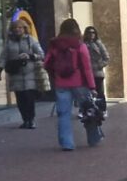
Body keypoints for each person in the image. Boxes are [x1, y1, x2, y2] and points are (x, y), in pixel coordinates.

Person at [42, 19, 99, 149]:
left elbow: (47, 63)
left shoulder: (54, 45)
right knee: (88, 111)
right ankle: (93, 138)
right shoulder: (80, 45)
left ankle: (67, 143)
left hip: (61, 83)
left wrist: (55, 76)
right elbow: (86, 68)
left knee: (63, 114)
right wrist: (92, 86)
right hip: (80, 83)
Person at [0, 18, 45, 129]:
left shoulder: (31, 40)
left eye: (20, 27)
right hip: (15, 74)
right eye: (15, 28)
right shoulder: (9, 42)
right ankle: (25, 120)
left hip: (30, 75)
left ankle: (31, 119)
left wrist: (30, 56)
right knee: (20, 99)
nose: (17, 30)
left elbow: (41, 54)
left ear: (24, 29)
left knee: (29, 98)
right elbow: (3, 57)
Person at [84, 26, 111, 111]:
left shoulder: (99, 44)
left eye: (93, 32)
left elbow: (106, 58)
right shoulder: (83, 45)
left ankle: (102, 109)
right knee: (86, 93)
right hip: (86, 72)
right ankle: (86, 110)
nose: (91, 34)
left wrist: (99, 65)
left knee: (100, 93)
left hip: (97, 73)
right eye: (89, 32)